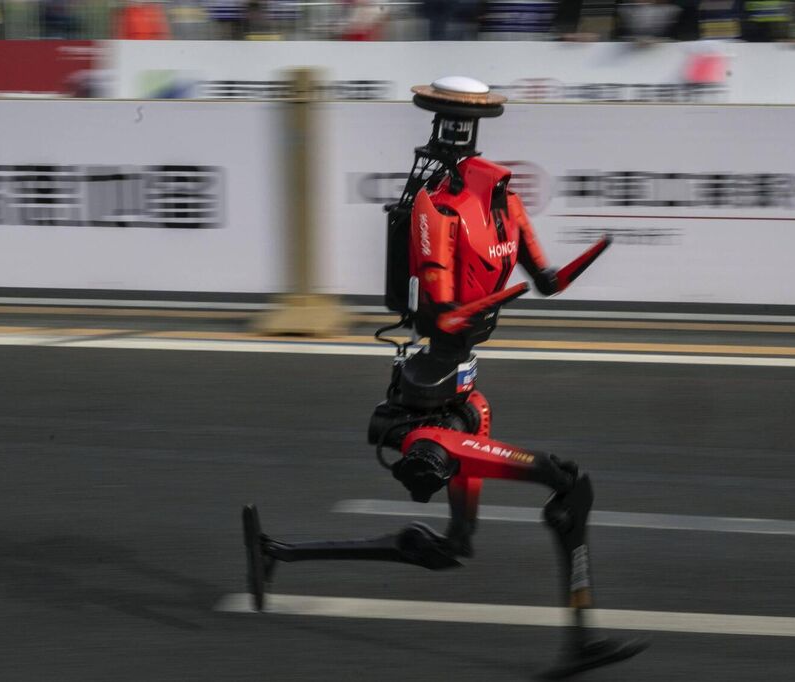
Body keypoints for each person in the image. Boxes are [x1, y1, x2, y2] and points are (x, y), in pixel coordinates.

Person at [242, 76, 645, 678]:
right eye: (452, 127)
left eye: (466, 128)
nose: (459, 140)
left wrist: (600, 248)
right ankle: (581, 643)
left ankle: (279, 551)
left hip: (464, 402)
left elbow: (549, 280)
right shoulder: (434, 206)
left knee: (455, 548)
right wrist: (493, 299)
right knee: (567, 484)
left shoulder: (504, 199)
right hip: (422, 417)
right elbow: (444, 311)